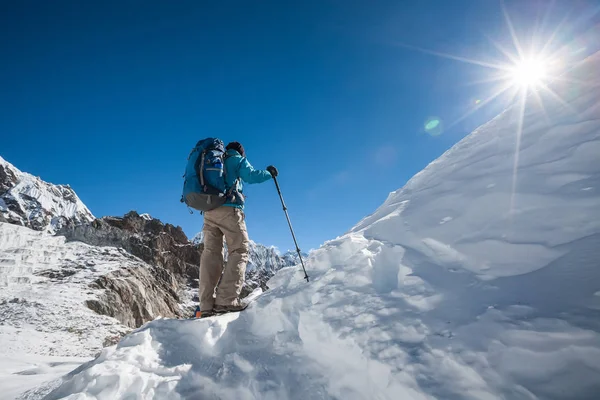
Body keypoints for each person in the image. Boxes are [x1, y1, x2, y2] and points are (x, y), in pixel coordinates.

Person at [198, 141, 278, 317]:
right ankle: (226, 300)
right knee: (239, 250)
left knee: (211, 253)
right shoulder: (236, 159)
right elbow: (251, 175)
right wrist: (269, 173)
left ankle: (206, 305)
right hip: (229, 209)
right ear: (241, 152)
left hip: (209, 211)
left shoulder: (214, 160)